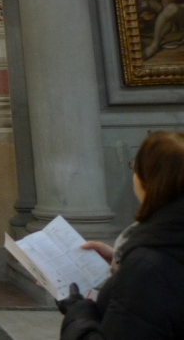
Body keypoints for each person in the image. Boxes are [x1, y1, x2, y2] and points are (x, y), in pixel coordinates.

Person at [59, 131, 184, 340]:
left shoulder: (146, 268)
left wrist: (77, 313)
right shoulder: (162, 246)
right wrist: (121, 261)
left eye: (136, 167)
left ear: (149, 181)